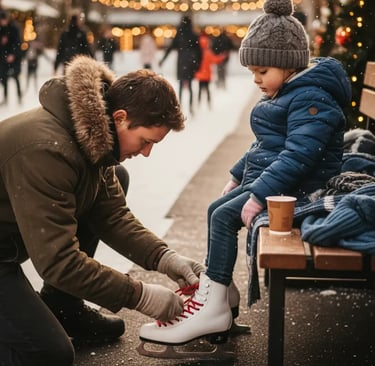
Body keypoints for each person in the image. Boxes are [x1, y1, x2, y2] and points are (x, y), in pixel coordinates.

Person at [138, 0, 352, 348]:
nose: (256, 80)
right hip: (279, 181)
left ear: (288, 65)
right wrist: (238, 176)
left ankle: (214, 306)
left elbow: (299, 156)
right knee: (215, 209)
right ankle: (222, 295)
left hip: (302, 188)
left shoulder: (312, 99)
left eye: (262, 71)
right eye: (252, 71)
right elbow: (264, 145)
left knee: (224, 216)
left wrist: (256, 195)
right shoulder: (288, 92)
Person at [0, 55, 205, 365]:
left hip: (7, 245)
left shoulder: (93, 137)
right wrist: (139, 296)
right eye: (146, 141)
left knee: (116, 180)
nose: (147, 153)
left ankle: (63, 306)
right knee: (47, 354)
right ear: (121, 118)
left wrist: (165, 258)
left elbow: (111, 216)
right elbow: (59, 263)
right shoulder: (47, 151)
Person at [159, 15, 201, 115]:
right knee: (190, 86)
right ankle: (191, 106)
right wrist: (198, 63)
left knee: (181, 85)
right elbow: (199, 51)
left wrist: (163, 59)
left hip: (182, 62)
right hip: (190, 62)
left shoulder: (180, 34)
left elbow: (170, 48)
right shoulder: (193, 34)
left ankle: (179, 106)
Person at [195, 33, 227, 109]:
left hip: (200, 75)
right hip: (207, 75)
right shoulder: (208, 53)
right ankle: (209, 103)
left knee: (200, 89)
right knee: (207, 90)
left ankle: (198, 103)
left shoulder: (198, 53)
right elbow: (215, 60)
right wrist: (222, 57)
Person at [0, 10, 22, 105]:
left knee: (15, 77)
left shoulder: (14, 28)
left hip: (14, 58)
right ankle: (5, 98)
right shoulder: (1, 28)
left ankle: (19, 96)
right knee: (3, 78)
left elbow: (17, 43)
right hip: (3, 57)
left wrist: (13, 54)